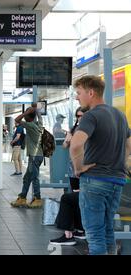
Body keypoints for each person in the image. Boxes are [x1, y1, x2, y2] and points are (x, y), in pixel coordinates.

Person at [70, 75, 131, 255]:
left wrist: (78, 168)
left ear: (91, 92)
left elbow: (76, 144)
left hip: (95, 180)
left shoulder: (91, 116)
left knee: (95, 235)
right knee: (108, 232)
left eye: (79, 93)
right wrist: (117, 161)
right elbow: (129, 146)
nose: (77, 97)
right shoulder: (119, 115)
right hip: (116, 181)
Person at [49, 107, 88, 246]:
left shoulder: (89, 130)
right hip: (73, 169)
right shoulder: (73, 130)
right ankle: (79, 229)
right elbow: (65, 145)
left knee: (76, 200)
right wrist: (68, 139)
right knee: (76, 199)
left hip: (83, 170)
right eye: (78, 116)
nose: (79, 118)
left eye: (82, 115)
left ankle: (76, 231)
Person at [11, 103, 44, 208]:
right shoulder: (39, 124)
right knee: (27, 177)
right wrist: (35, 110)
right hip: (38, 155)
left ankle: (37, 198)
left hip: (34, 156)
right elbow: (39, 116)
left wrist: (26, 112)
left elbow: (16, 120)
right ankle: (22, 197)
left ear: (27, 117)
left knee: (34, 177)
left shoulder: (30, 125)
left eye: (25, 115)